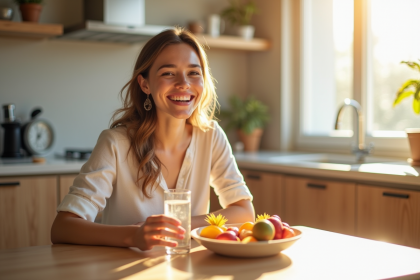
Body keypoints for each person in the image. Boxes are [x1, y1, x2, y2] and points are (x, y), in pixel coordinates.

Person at [51, 27, 255, 251]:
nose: (184, 83)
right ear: (145, 84)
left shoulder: (211, 136)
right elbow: (62, 227)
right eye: (168, 73)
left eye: (194, 73)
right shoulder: (115, 144)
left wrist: (180, 227)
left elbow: (244, 212)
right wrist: (133, 235)